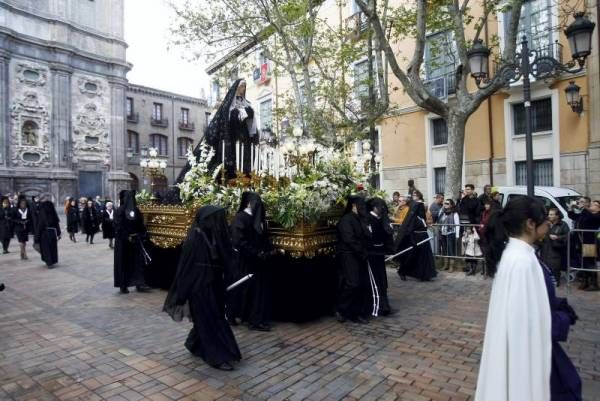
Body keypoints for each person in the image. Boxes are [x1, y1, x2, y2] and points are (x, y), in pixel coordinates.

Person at [476, 196, 581, 401]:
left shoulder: (519, 255)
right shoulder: (522, 261)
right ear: (530, 224)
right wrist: (562, 318)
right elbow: (526, 323)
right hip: (528, 356)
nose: (548, 224)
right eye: (544, 220)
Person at [163, 206, 241, 371]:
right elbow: (185, 269)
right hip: (200, 288)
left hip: (212, 285)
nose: (219, 223)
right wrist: (183, 293)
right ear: (207, 220)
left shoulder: (210, 235)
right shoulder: (194, 239)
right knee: (209, 320)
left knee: (210, 319)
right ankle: (217, 357)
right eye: (215, 219)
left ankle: (194, 344)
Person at [177, 79, 259, 183]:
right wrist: (237, 114)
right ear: (236, 87)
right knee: (233, 161)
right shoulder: (229, 105)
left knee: (244, 159)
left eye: (244, 86)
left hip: (245, 138)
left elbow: (251, 123)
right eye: (241, 86)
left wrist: (249, 116)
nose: (243, 88)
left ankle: (245, 177)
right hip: (232, 137)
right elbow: (226, 120)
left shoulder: (247, 104)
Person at [228, 192, 273, 331]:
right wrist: (256, 252)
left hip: (255, 262)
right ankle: (240, 316)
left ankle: (253, 318)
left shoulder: (252, 218)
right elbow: (239, 241)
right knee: (243, 291)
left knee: (254, 292)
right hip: (244, 262)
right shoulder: (241, 218)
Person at [335, 195, 370, 324]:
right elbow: (349, 239)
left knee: (361, 284)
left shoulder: (359, 219)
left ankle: (356, 313)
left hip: (359, 255)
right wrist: (361, 251)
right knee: (352, 283)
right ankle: (341, 309)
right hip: (348, 255)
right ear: (354, 206)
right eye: (361, 206)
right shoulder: (346, 220)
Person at [114, 190, 151, 294]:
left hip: (135, 241)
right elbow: (118, 226)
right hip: (123, 242)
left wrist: (141, 234)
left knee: (137, 263)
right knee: (123, 263)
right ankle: (123, 285)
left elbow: (140, 225)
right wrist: (127, 236)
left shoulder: (136, 210)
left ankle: (139, 283)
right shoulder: (120, 211)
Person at [396, 190, 437, 281]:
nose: (423, 209)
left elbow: (425, 226)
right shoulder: (414, 218)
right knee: (411, 256)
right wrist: (412, 239)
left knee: (425, 256)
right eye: (422, 208)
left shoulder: (422, 218)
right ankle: (402, 271)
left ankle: (424, 275)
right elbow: (409, 228)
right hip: (415, 238)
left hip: (424, 237)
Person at [366, 197, 394, 317]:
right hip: (372, 254)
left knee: (382, 278)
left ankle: (384, 303)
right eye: (380, 207)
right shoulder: (368, 219)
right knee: (375, 278)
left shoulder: (381, 219)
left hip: (380, 253)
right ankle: (379, 304)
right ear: (374, 207)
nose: (382, 209)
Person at [541, 208, 570, 286]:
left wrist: (558, 237)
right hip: (545, 250)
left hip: (556, 250)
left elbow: (568, 236)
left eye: (551, 214)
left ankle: (555, 283)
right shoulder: (546, 224)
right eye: (549, 214)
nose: (549, 216)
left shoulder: (563, 225)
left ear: (557, 216)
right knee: (544, 268)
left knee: (554, 267)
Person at [35, 199, 61, 267]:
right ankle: (52, 260)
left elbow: (39, 226)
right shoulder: (53, 214)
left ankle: (49, 262)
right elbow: (57, 224)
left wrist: (36, 238)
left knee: (46, 248)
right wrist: (59, 233)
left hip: (44, 233)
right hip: (52, 232)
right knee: (52, 247)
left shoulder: (42, 214)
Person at [439, 199, 460, 272]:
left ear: (451, 205)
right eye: (445, 203)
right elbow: (440, 222)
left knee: (451, 250)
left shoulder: (455, 214)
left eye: (447, 203)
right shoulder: (443, 213)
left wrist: (457, 235)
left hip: (451, 233)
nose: (445, 205)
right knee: (444, 250)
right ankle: (445, 265)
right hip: (443, 233)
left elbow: (457, 225)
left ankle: (451, 266)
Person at [11, 196, 34, 260]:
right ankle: (24, 253)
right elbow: (13, 219)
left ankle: (22, 253)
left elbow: (30, 218)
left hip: (25, 227)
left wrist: (27, 221)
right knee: (21, 241)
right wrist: (20, 222)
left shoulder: (28, 210)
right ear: (19, 204)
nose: (23, 205)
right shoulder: (15, 210)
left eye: (24, 203)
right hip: (18, 227)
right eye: (22, 203)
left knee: (24, 241)